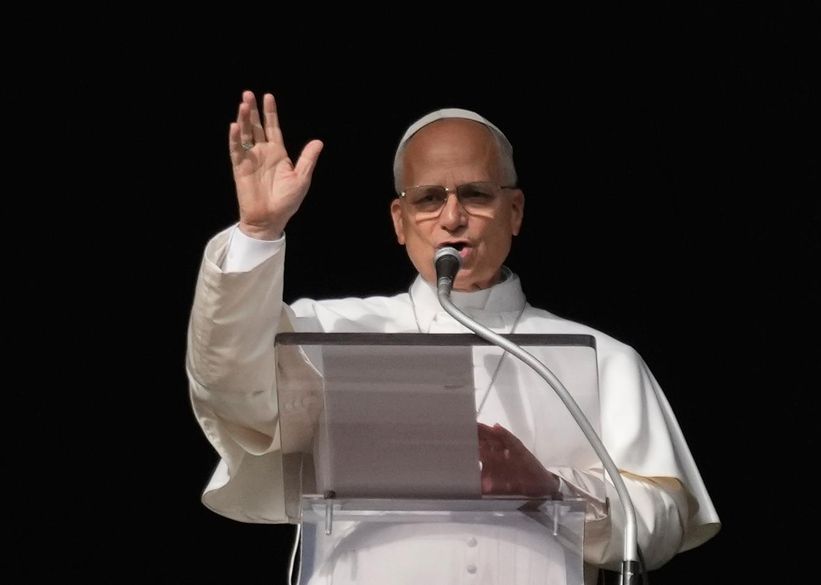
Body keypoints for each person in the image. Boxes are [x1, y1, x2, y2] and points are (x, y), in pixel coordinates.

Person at [186, 90, 721, 584]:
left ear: (515, 212)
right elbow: (232, 391)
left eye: (476, 194)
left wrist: (550, 488)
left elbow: (659, 524)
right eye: (427, 199)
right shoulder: (331, 334)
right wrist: (258, 235)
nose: (452, 217)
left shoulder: (605, 358)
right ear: (399, 221)